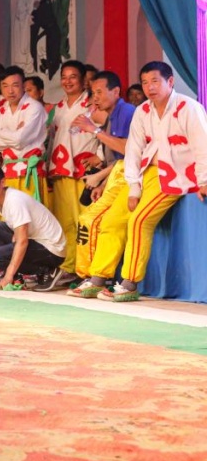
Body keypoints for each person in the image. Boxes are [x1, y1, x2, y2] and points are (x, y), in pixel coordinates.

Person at [68, 62, 207, 302]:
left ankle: (130, 283)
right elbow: (133, 150)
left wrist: (204, 179)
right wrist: (133, 187)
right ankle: (98, 278)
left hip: (176, 175)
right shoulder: (143, 111)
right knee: (112, 219)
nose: (149, 87)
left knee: (140, 220)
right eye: (145, 82)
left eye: (155, 81)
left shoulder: (188, 108)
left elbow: (202, 144)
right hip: (146, 173)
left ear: (170, 82)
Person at [71, 70, 134, 283]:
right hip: (117, 177)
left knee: (92, 220)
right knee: (90, 219)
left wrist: (94, 130)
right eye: (93, 93)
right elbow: (117, 160)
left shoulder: (126, 112)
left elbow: (126, 151)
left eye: (99, 92)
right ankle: (91, 276)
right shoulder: (113, 115)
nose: (95, 98)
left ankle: (93, 276)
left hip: (130, 179)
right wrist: (103, 183)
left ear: (116, 91)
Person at [45, 60, 101, 284]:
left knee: (83, 221)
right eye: (64, 77)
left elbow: (103, 133)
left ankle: (89, 270)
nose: (68, 81)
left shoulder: (92, 103)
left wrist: (100, 157)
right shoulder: (57, 108)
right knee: (65, 222)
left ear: (83, 79)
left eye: (73, 77)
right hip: (60, 170)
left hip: (83, 171)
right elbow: (51, 140)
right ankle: (69, 266)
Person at [0, 164, 65, 288]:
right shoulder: (1, 199)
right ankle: (16, 276)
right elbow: (17, 233)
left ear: (2, 182)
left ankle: (47, 271)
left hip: (52, 250)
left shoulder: (14, 200)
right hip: (36, 241)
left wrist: (8, 274)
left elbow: (22, 241)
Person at [0, 66, 49, 205]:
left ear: (23, 86)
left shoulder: (34, 107)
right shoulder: (2, 110)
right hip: (8, 171)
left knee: (31, 215)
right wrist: (15, 133)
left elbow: (19, 140)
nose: (10, 91)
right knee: (10, 215)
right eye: (5, 86)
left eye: (15, 85)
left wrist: (1, 132)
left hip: (29, 172)